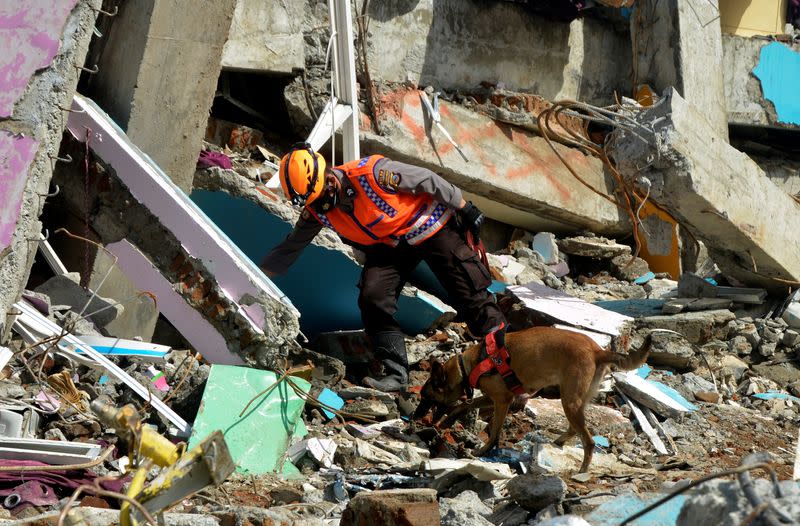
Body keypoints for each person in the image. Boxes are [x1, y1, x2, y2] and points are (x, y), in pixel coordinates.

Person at [261, 143, 507, 391]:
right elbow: (290, 247)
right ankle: (396, 373)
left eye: (322, 199)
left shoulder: (372, 173)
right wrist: (256, 278)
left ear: (330, 180)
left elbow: (426, 179)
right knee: (373, 297)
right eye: (313, 203)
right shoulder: (317, 210)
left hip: (430, 224)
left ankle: (505, 357)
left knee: (469, 290)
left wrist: (464, 207)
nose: (321, 207)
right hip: (391, 245)